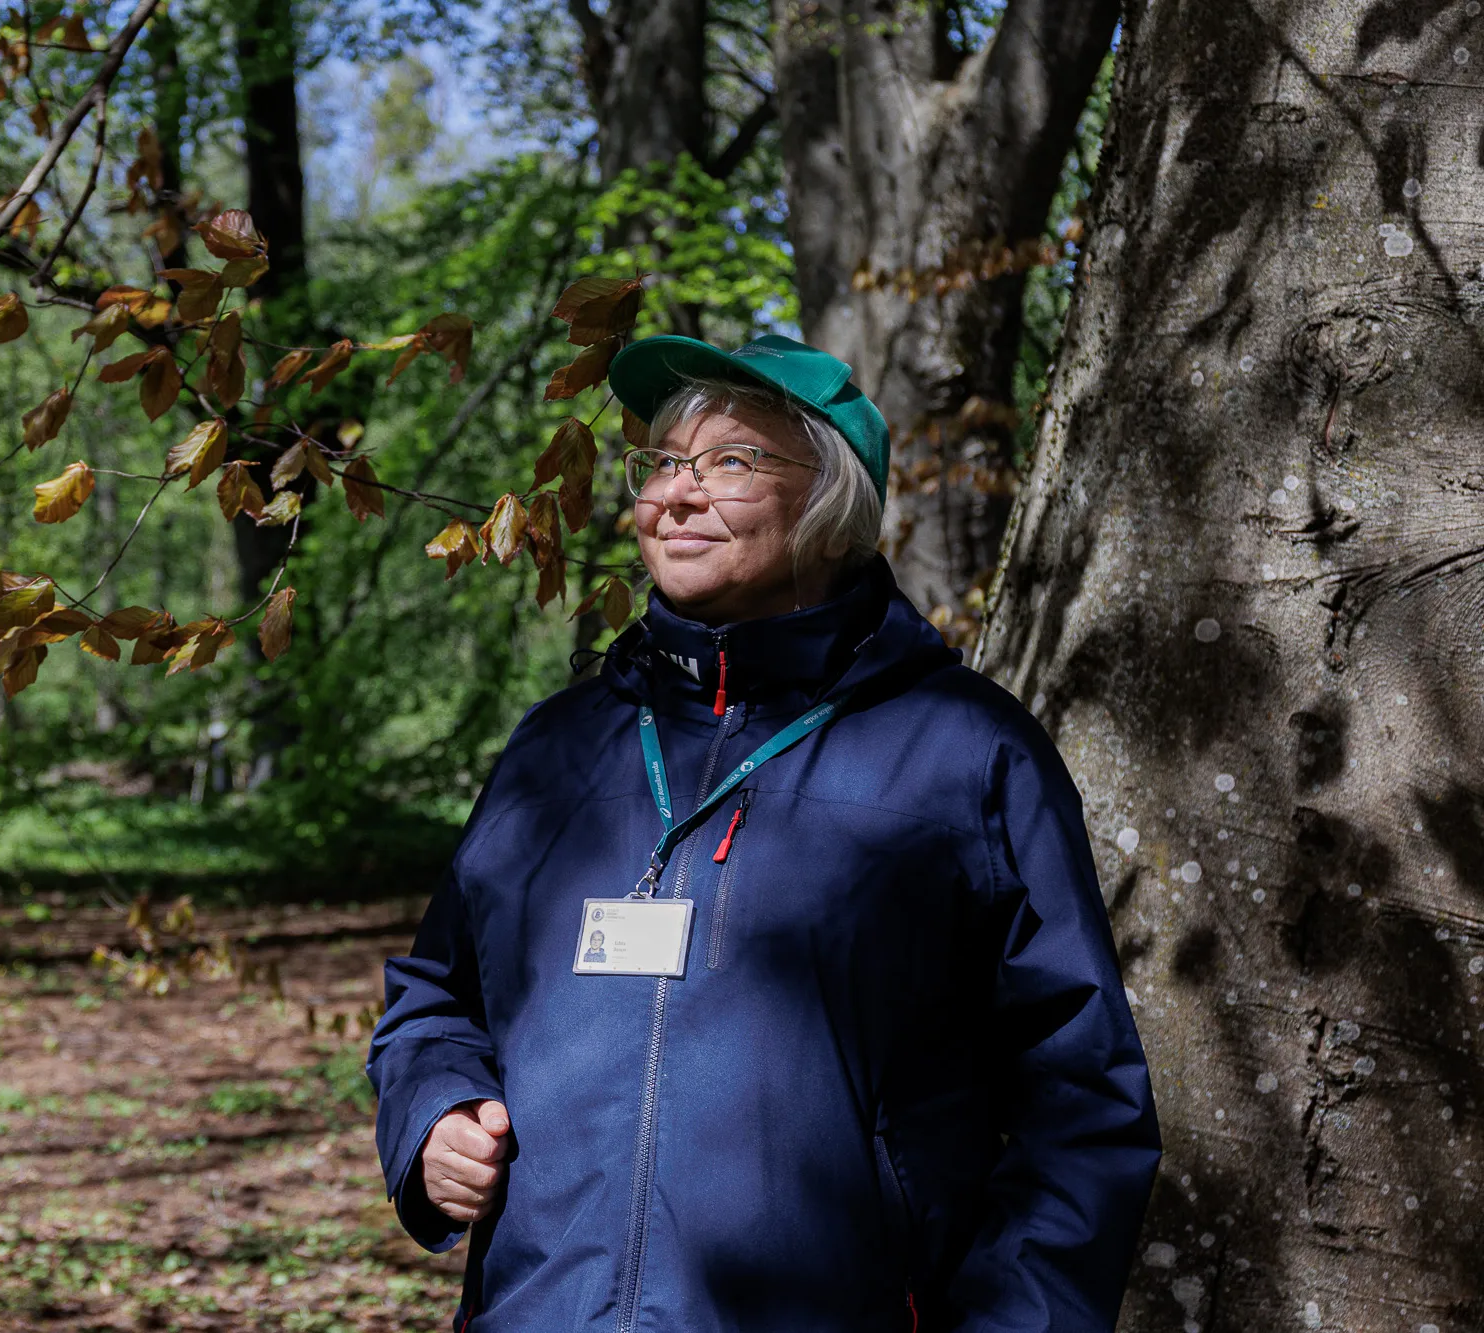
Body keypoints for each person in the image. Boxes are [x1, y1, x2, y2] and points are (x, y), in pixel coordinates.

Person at [366, 332, 1160, 1332]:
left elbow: (1081, 1100)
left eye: (729, 462)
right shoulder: (557, 750)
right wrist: (432, 1110)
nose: (673, 495)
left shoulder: (965, 754)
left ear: (831, 504)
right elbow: (435, 998)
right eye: (659, 463)